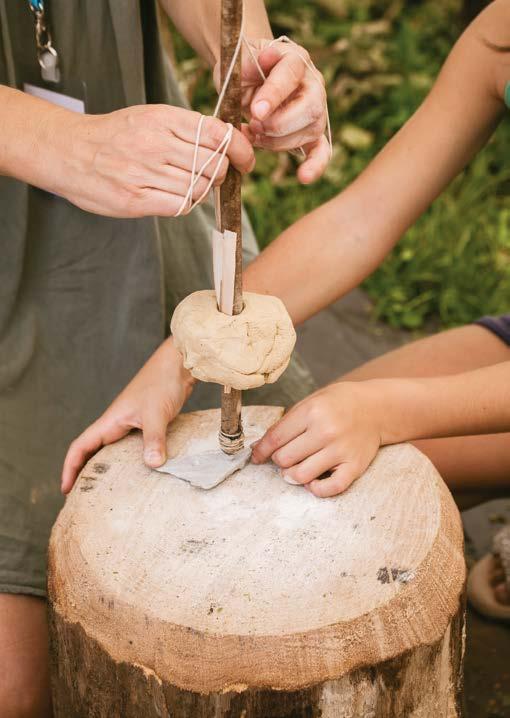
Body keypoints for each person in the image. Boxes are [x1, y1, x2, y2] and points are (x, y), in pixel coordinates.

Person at [66, 0, 510, 620]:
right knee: (313, 455)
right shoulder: (500, 35)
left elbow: (386, 416)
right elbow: (360, 220)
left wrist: (386, 411)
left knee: (376, 471)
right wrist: (179, 361)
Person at [0, 1, 330, 715]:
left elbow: (227, 19)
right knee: (15, 686)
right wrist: (61, 143)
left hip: (132, 198)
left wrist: (247, 58)